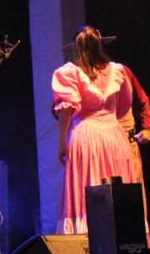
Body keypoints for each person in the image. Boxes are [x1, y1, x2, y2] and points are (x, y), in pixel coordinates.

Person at [52, 25, 144, 240]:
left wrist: (62, 141)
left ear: (77, 47)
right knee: (116, 191)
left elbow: (66, 110)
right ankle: (121, 243)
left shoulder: (69, 73)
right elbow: (124, 106)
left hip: (87, 136)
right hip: (115, 136)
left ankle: (87, 245)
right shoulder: (118, 70)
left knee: (89, 187)